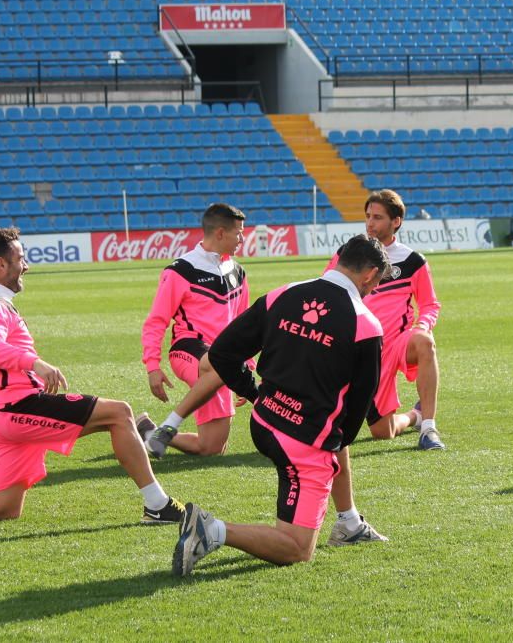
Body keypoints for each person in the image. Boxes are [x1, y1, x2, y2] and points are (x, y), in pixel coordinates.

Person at [0, 227, 183, 528]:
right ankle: (157, 505)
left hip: (2, 415)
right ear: (1, 264)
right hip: (17, 407)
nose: (26, 265)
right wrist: (36, 364)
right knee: (119, 413)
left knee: (4, 507)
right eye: (21, 258)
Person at [170, 234, 390, 574]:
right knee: (297, 548)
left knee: (332, 424)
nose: (374, 289)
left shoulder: (284, 294)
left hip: (265, 420)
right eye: (377, 282)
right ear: (369, 274)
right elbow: (359, 409)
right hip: (301, 444)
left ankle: (348, 521)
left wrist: (254, 392)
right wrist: (328, 446)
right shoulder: (366, 325)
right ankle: (211, 530)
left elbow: (221, 353)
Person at [326, 189, 444, 450]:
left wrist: (422, 326)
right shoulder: (347, 254)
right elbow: (328, 291)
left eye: (378, 217)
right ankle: (416, 416)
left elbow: (429, 304)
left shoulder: (413, 261)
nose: (370, 223)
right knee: (383, 432)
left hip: (396, 344)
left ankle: (429, 428)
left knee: (425, 342)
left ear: (396, 222)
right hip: (359, 350)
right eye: (368, 216)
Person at [140, 203, 250, 458]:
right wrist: (152, 366)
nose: (242, 239)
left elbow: (243, 325)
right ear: (220, 233)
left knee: (211, 448)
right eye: (239, 233)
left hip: (223, 361)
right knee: (219, 365)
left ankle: (149, 433)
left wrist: (246, 365)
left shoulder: (238, 272)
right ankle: (170, 423)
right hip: (188, 350)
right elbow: (156, 320)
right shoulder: (180, 271)